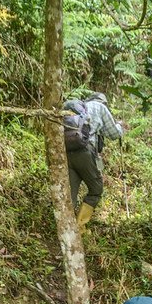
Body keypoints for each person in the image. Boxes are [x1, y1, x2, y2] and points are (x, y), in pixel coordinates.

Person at [65, 92, 123, 230]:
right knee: (96, 189)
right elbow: (114, 133)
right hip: (84, 152)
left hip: (67, 152)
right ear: (103, 102)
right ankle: (79, 227)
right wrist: (120, 126)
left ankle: (66, 228)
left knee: (70, 194)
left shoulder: (77, 109)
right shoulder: (100, 107)